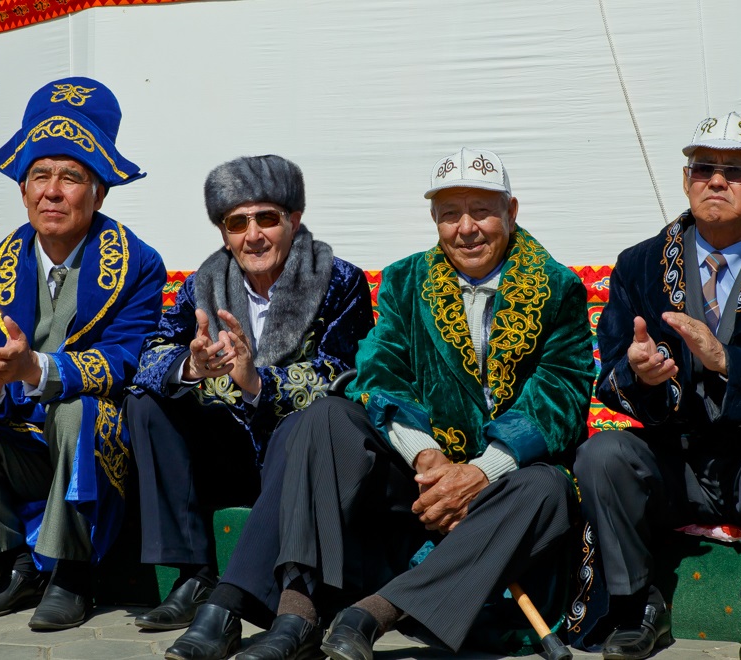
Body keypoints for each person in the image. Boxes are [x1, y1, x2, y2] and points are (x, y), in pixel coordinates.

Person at [179, 147, 594, 660]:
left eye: (482, 211)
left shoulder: (558, 288)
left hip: (504, 490)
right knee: (326, 416)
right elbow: (379, 374)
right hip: (417, 484)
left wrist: (480, 473)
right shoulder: (405, 280)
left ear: (510, 212)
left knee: (549, 487)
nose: (466, 228)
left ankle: (372, 614)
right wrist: (427, 458)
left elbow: (561, 393)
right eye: (450, 214)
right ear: (434, 219)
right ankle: (297, 616)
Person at [0, 77, 167, 631]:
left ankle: (71, 574)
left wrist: (38, 368)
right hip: (22, 437)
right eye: (40, 175)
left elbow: (126, 360)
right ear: (22, 190)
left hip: (95, 446)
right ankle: (15, 566)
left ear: (99, 194)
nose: (52, 192)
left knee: (77, 410)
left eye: (72, 177)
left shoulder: (137, 263)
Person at [576, 111, 741, 660]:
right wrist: (641, 375)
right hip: (673, 457)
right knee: (602, 455)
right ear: (686, 180)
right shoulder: (639, 264)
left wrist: (729, 361)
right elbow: (610, 376)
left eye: (737, 170)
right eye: (703, 168)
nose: (717, 180)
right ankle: (636, 606)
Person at [126, 155, 374, 641]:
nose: (252, 235)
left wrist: (258, 382)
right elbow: (150, 353)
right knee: (145, 403)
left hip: (298, 457)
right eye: (237, 223)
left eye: (266, 218)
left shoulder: (337, 280)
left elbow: (344, 374)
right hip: (229, 452)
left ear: (294, 220)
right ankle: (193, 575)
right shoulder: (204, 285)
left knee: (305, 423)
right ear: (224, 233)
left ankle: (251, 600)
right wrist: (191, 366)